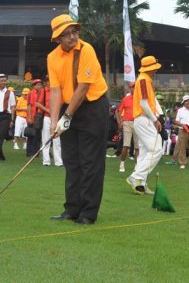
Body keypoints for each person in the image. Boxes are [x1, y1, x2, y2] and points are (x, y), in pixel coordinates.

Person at [47, 14, 110, 225]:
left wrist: (66, 117)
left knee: (90, 162)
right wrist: (54, 121)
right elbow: (55, 91)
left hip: (92, 107)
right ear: (57, 38)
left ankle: (88, 213)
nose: (72, 37)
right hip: (69, 107)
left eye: (74, 32)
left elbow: (83, 88)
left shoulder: (86, 50)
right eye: (66, 34)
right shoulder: (52, 58)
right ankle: (71, 209)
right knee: (71, 161)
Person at [125, 56, 165, 194]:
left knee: (145, 153)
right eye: (154, 68)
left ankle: (140, 183)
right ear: (151, 68)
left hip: (143, 119)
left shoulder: (144, 79)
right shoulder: (143, 80)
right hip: (144, 119)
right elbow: (143, 103)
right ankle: (136, 177)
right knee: (156, 149)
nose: (155, 71)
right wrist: (155, 119)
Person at [38, 77, 62, 166]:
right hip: (47, 117)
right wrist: (48, 110)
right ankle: (46, 161)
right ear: (46, 82)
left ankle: (58, 161)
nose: (51, 82)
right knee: (45, 139)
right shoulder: (44, 91)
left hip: (57, 118)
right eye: (49, 81)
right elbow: (38, 103)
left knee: (57, 140)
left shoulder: (59, 90)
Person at [116, 82, 136, 173]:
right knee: (126, 145)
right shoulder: (126, 99)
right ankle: (122, 163)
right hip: (127, 122)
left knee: (137, 147)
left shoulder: (141, 100)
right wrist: (120, 122)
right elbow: (119, 111)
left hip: (138, 123)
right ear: (129, 88)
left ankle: (137, 166)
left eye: (135, 87)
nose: (134, 89)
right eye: (132, 87)